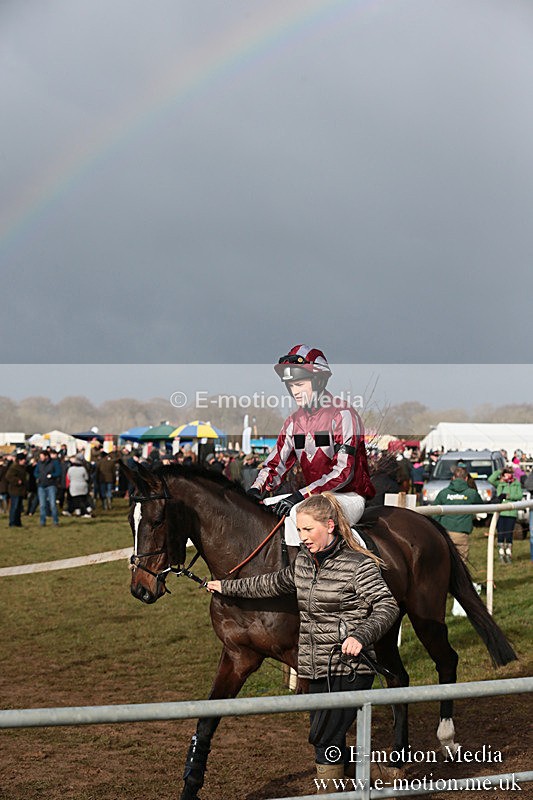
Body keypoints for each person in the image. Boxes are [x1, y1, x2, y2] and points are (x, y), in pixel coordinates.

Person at [207, 492, 398, 793]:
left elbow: (387, 606)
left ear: (330, 526)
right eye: (299, 530)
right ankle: (375, 773)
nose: (302, 537)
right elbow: (267, 584)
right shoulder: (304, 565)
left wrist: (361, 635)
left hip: (350, 668)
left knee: (325, 737)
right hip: (314, 667)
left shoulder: (359, 565)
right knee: (321, 738)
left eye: (308, 530)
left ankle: (345, 788)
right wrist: (225, 587)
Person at [248, 345, 375, 544]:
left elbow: (344, 471)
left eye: (299, 384)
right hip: (313, 497)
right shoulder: (293, 422)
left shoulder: (343, 414)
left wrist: (301, 495)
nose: (294, 391)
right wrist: (256, 489)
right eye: (290, 385)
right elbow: (275, 466)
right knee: (264, 507)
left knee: (302, 511)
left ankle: (305, 570)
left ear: (319, 380)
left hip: (348, 496)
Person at [488, 466, 523, 563]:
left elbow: (519, 495)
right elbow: (490, 479)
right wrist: (499, 470)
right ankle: (500, 553)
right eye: (505, 473)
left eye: (509, 473)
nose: (507, 475)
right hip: (501, 512)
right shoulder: (500, 483)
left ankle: (508, 553)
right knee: (500, 533)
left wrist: (508, 496)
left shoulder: (516, 484)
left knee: (508, 534)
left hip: (511, 513)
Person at [34, 449, 61, 526]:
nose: (41, 458)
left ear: (46, 456)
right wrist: (38, 476)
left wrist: (52, 475)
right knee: (42, 505)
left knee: (52, 504)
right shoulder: (39, 464)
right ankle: (42, 522)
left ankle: (55, 521)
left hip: (51, 485)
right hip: (41, 486)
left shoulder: (54, 463)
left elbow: (58, 472)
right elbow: (35, 472)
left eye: (42, 457)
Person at [5, 452, 28, 527]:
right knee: (14, 507)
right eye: (23, 459)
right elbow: (8, 476)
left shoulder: (23, 467)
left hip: (20, 490)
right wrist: (17, 480)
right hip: (14, 490)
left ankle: (18, 522)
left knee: (18, 508)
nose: (24, 461)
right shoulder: (14, 467)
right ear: (19, 460)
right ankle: (12, 522)